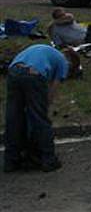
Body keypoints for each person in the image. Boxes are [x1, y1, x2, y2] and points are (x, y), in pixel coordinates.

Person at [4, 44, 81, 173]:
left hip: (14, 71)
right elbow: (52, 91)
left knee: (14, 117)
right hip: (34, 74)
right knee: (40, 119)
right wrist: (45, 105)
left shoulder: (43, 48)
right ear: (71, 62)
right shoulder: (63, 62)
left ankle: (11, 160)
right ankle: (48, 159)